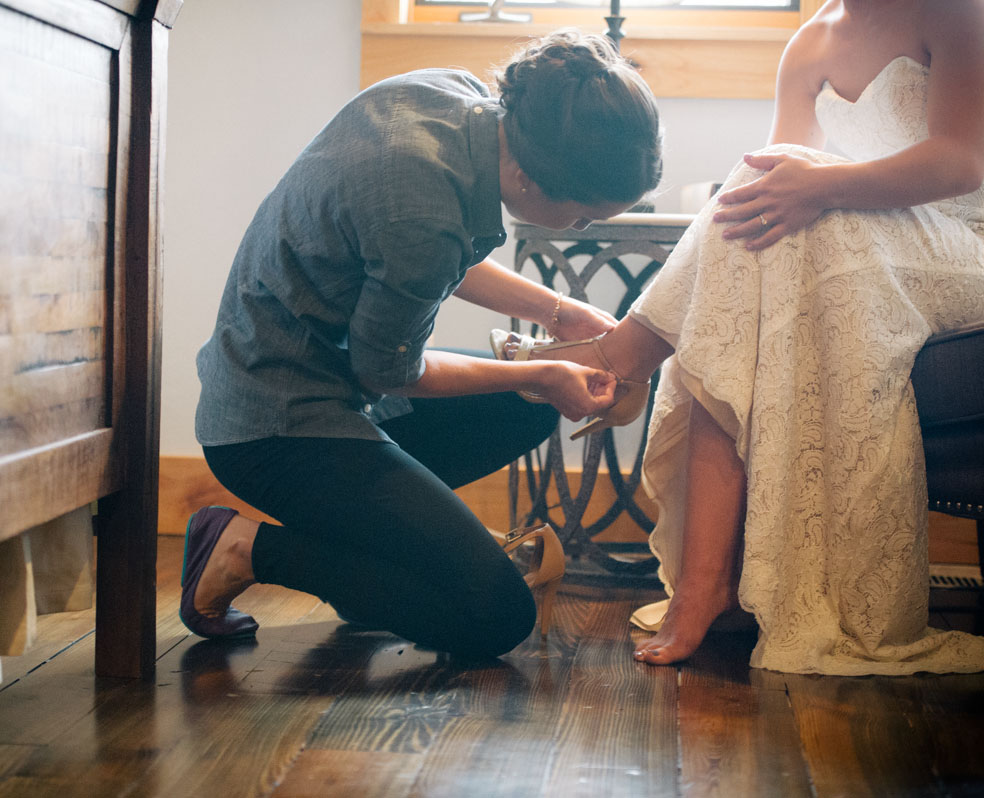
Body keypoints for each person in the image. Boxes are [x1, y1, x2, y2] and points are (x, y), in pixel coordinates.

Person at [495, 0, 984, 674]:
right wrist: (802, 188)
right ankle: (707, 588)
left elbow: (964, 160)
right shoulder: (810, 43)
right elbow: (773, 191)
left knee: (766, 202)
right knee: (751, 262)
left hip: (965, 243)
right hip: (873, 248)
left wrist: (820, 186)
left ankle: (620, 358)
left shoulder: (955, 13)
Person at [181, 31, 664, 660]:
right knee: (493, 613)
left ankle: (370, 552)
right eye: (581, 217)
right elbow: (391, 369)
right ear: (527, 176)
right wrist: (544, 372)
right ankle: (244, 546)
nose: (583, 230)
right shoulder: (419, 207)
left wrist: (557, 309)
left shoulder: (454, 99)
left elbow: (413, 252)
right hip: (277, 431)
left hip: (332, 392)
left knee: (527, 403)